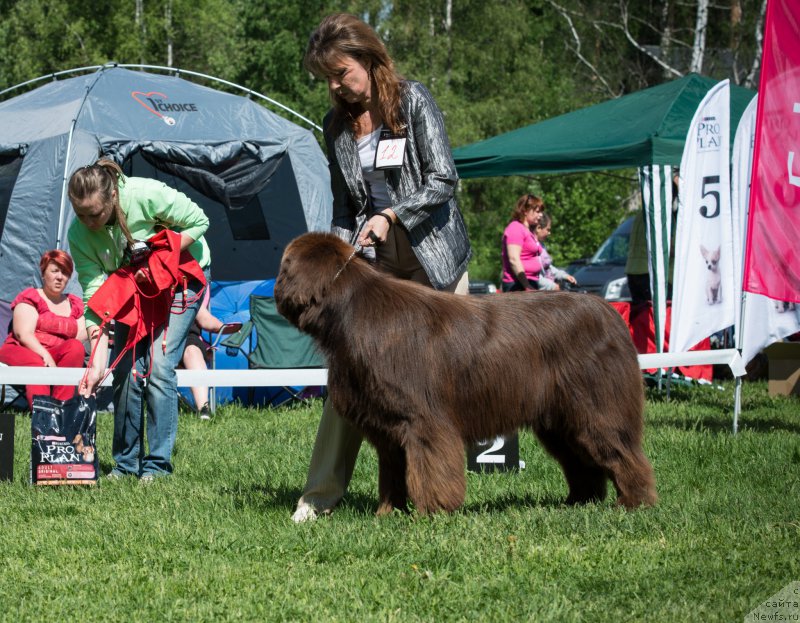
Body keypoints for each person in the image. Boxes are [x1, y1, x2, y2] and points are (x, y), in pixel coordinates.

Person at [292, 13, 472, 522]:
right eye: (325, 78)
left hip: (434, 262)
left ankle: (433, 494)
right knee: (349, 381)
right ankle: (319, 497)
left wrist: (392, 214)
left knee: (438, 389)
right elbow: (345, 207)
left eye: (341, 73)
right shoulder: (336, 126)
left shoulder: (412, 101)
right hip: (375, 271)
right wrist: (339, 257)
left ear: (369, 61)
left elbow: (443, 179)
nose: (334, 86)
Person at [67, 159, 210, 482]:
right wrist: (97, 363)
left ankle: (157, 466)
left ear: (113, 197)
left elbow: (199, 221)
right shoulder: (78, 235)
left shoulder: (146, 194)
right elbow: (96, 299)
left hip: (181, 280)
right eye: (80, 214)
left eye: (95, 214)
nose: (88, 222)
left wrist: (160, 253)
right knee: (126, 370)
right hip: (134, 289)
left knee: (158, 366)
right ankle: (126, 464)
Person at [0, 250, 87, 410]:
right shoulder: (32, 297)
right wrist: (45, 355)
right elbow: (23, 333)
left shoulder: (73, 303)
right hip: (21, 349)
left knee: (75, 347)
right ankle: (43, 415)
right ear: (43, 274)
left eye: (65, 273)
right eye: (54, 271)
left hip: (55, 353)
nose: (60, 277)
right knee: (36, 362)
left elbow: (79, 335)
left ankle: (61, 410)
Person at [181, 304, 241, 421]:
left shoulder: (192, 289)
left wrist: (223, 327)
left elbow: (204, 318)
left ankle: (203, 408)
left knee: (192, 351)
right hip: (158, 337)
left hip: (188, 338)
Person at [500, 194, 545, 292]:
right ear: (525, 211)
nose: (541, 215)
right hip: (517, 285)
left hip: (529, 283)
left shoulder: (528, 231)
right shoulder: (515, 228)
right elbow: (513, 259)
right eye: (538, 211)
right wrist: (526, 286)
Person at [534, 213, 577, 291]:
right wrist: (553, 286)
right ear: (538, 228)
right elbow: (534, 276)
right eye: (548, 229)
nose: (549, 233)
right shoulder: (531, 247)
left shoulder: (542, 245)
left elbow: (548, 268)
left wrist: (564, 276)